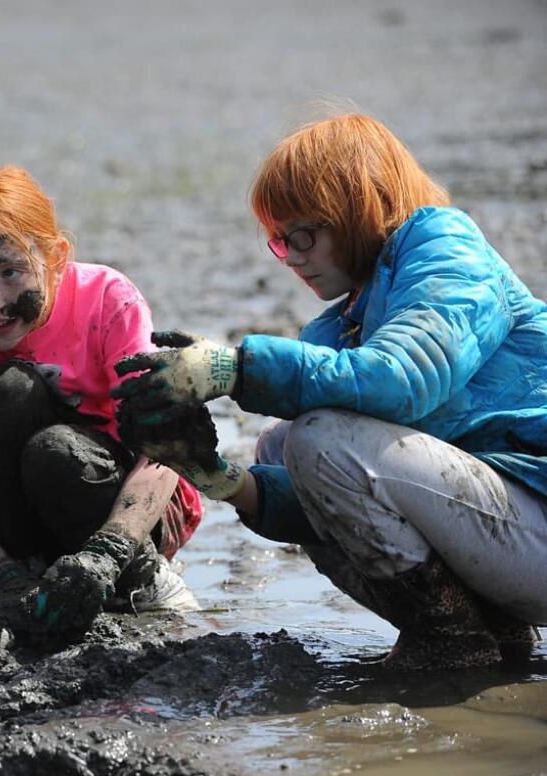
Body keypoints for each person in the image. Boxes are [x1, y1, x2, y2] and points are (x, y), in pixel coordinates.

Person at [114, 112, 547, 671]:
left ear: (360, 206)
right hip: (504, 541)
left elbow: (404, 378)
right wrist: (221, 479)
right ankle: (486, 635)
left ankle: (450, 643)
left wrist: (234, 369)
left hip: (534, 510)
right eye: (278, 241)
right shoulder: (335, 326)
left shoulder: (446, 244)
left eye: (303, 235)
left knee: (317, 436)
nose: (291, 257)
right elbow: (332, 503)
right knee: (281, 444)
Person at [0, 166, 203, 638]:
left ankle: (140, 581)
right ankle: (18, 574)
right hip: (19, 531)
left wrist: (108, 551)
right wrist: (1, 577)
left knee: (55, 452)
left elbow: (164, 451)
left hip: (124, 508)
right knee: (10, 391)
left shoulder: (108, 300)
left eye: (10, 270)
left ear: (56, 257)